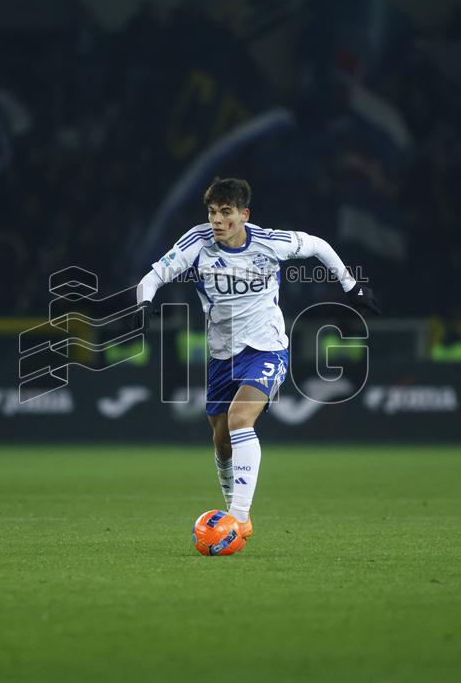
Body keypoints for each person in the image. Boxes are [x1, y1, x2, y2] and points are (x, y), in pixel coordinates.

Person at [133, 177, 380, 542]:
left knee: (240, 417)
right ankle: (236, 511)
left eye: (226, 212)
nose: (217, 220)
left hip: (266, 348)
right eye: (213, 212)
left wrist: (352, 287)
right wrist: (144, 304)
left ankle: (237, 518)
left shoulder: (269, 243)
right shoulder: (196, 244)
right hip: (221, 355)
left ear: (244, 215)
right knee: (220, 436)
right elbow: (152, 278)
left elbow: (319, 246)